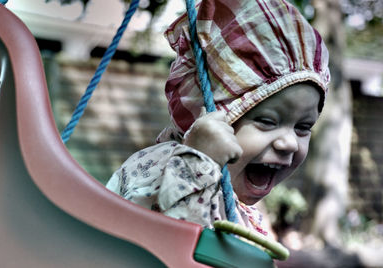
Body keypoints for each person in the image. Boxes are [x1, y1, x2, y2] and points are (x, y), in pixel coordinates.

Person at [106, 0, 330, 236]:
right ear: (207, 117)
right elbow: (160, 240)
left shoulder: (233, 200)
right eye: (267, 121)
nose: (290, 143)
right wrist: (198, 161)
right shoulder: (164, 169)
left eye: (303, 127)